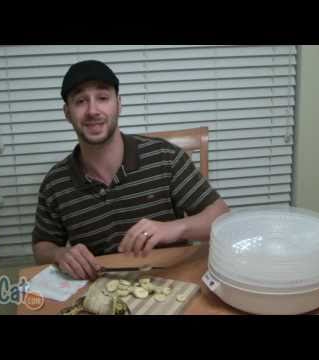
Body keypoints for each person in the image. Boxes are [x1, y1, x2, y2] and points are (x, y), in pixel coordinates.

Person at [32, 60, 229, 280]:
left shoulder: (165, 157)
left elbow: (221, 216)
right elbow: (42, 246)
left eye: (103, 98)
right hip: (102, 289)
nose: (92, 110)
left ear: (119, 104)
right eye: (80, 101)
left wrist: (173, 229)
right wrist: (60, 253)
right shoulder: (55, 183)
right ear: (67, 113)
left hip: (171, 282)